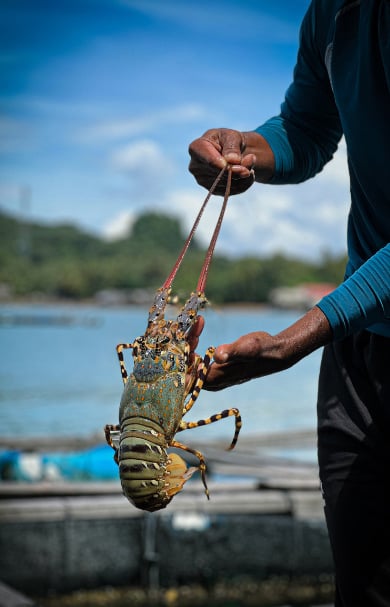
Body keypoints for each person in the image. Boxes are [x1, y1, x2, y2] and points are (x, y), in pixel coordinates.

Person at [187, 1, 390, 606]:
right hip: (359, 348)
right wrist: (244, 147)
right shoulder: (328, 12)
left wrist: (291, 341)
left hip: (340, 321)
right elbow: (305, 128)